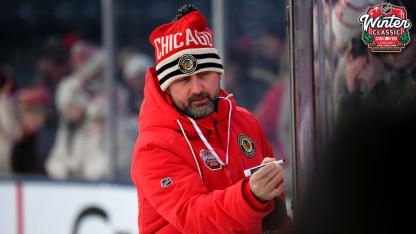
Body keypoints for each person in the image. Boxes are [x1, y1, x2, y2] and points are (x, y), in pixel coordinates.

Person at [130, 5, 290, 234]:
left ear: (219, 74)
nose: (197, 88)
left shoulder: (244, 122)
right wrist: (250, 196)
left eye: (204, 74)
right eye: (184, 80)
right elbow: (194, 218)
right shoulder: (153, 147)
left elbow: (276, 216)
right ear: (167, 88)